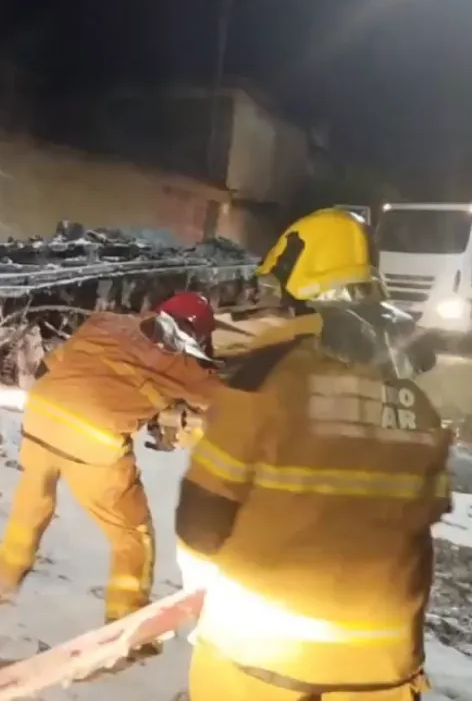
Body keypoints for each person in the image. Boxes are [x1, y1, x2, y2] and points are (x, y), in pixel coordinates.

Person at [176, 208, 451, 700]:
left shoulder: (265, 380)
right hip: (381, 660)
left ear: (294, 294)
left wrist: (205, 594)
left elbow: (201, 522)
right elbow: (420, 523)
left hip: (259, 657)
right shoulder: (418, 405)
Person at [0, 291, 222, 634]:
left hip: (42, 415)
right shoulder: (186, 367)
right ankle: (123, 620)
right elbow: (224, 402)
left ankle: (2, 580)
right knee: (130, 535)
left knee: (32, 502)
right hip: (92, 440)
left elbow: (49, 364)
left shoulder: (106, 322)